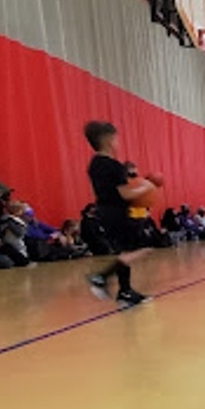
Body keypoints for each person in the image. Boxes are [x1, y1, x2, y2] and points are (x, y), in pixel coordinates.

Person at [83, 121, 159, 305]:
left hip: (104, 211)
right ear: (109, 140)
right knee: (143, 248)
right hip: (117, 211)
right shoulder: (114, 166)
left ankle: (125, 292)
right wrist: (148, 187)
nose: (118, 142)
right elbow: (125, 194)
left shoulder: (94, 164)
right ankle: (101, 277)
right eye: (116, 138)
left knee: (125, 250)